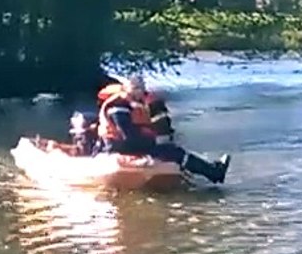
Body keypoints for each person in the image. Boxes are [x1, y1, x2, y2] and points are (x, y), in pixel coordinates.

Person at [97, 74, 231, 184]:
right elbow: (127, 135)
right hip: (120, 145)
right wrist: (154, 143)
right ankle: (214, 172)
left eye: (141, 88)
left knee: (170, 148)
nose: (140, 91)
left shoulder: (135, 103)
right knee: (173, 151)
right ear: (126, 89)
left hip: (127, 143)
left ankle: (209, 170)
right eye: (136, 88)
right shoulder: (119, 106)